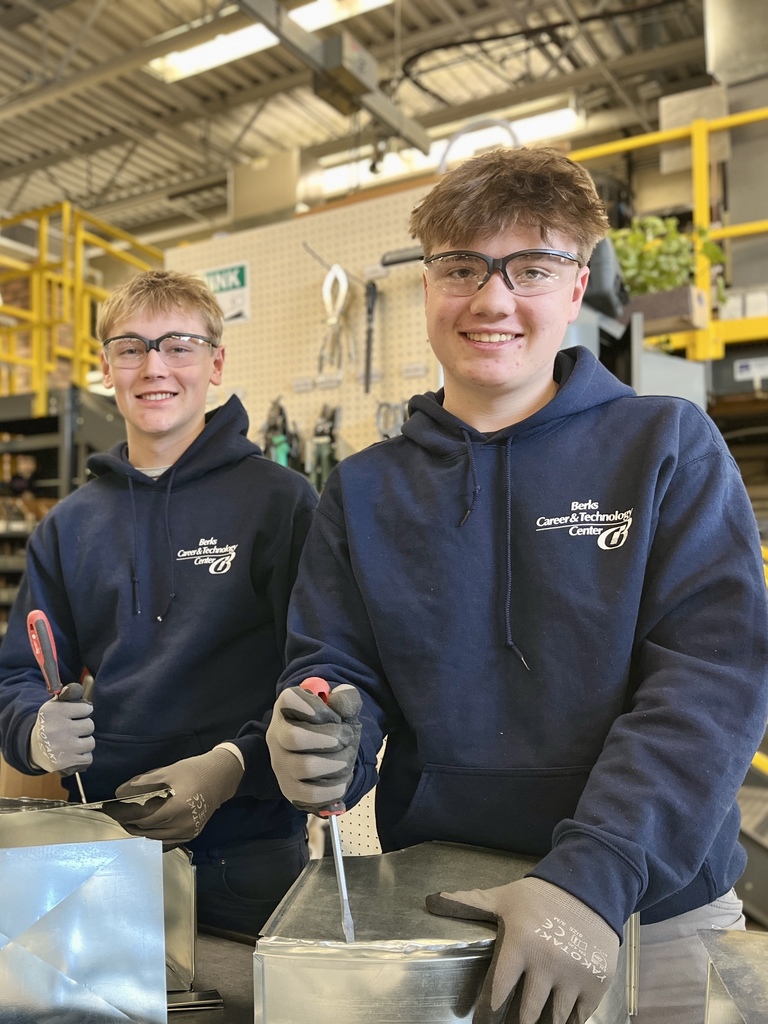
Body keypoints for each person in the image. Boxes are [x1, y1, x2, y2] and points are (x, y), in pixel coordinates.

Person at [265, 147, 768, 1024]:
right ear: (428, 285)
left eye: (530, 268)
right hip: (439, 905)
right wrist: (320, 728)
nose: (492, 299)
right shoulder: (363, 487)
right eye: (462, 267)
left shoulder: (666, 446)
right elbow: (336, 661)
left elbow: (710, 683)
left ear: (576, 289)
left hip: (654, 916)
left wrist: (592, 878)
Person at [0, 269, 318, 938]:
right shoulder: (69, 525)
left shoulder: (281, 504)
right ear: (106, 367)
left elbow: (317, 673)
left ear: (216, 362)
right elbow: (18, 674)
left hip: (250, 851)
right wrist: (32, 729)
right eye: (130, 347)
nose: (154, 368)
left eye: (179, 346)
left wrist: (234, 768)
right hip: (108, 842)